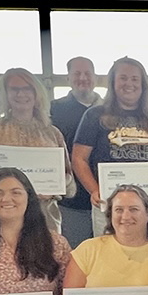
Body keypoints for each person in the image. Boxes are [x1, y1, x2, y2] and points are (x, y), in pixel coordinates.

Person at [71, 56, 148, 237]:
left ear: (143, 84)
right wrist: (95, 190)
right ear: (113, 83)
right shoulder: (95, 115)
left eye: (134, 79)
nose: (128, 84)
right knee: (110, 256)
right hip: (110, 204)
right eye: (123, 78)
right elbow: (78, 158)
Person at [0, 68, 75, 234]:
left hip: (44, 218)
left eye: (27, 88)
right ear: (5, 94)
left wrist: (53, 188)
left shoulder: (52, 133)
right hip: (1, 218)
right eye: (14, 89)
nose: (21, 94)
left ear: (37, 93)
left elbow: (69, 181)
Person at [50, 56, 102, 249]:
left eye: (87, 73)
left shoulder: (111, 110)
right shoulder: (54, 110)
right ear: (68, 78)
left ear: (96, 78)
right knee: (75, 257)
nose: (83, 78)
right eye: (77, 73)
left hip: (110, 200)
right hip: (72, 202)